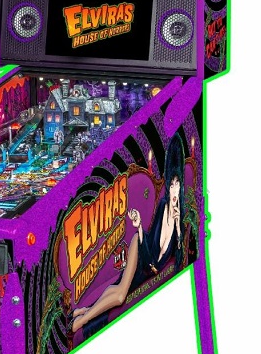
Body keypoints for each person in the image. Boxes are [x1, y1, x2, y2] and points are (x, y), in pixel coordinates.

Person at [71, 136, 185, 339]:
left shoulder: (179, 216)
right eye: (172, 184)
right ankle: (82, 320)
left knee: (116, 288)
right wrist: (139, 226)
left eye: (177, 184)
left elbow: (179, 259)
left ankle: (84, 310)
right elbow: (148, 246)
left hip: (149, 266)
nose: (174, 190)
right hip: (140, 249)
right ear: (168, 185)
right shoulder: (163, 206)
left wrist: (177, 225)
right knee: (121, 295)